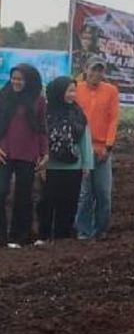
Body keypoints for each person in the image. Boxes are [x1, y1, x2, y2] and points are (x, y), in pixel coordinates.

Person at [36, 77, 94, 244]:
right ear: (58, 92)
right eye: (69, 91)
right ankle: (44, 235)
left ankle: (63, 235)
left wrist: (87, 165)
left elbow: (85, 139)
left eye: (74, 91)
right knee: (47, 201)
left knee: (69, 202)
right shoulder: (46, 113)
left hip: (73, 166)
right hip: (50, 165)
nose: (72, 95)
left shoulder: (77, 113)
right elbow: (40, 138)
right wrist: (40, 164)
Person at [0, 64, 48, 248]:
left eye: (20, 79)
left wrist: (45, 153)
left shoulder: (38, 100)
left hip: (28, 153)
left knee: (23, 195)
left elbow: (42, 129)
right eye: (14, 78)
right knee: (1, 191)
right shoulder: (3, 96)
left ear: (29, 81)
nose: (16, 82)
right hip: (4, 152)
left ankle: (19, 236)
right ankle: (2, 237)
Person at [75, 55, 120, 240]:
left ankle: (101, 229)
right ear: (86, 69)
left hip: (103, 149)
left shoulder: (111, 91)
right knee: (85, 193)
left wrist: (108, 146)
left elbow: (113, 118)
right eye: (93, 69)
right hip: (82, 149)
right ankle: (83, 230)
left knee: (103, 192)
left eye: (100, 70)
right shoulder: (76, 89)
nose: (96, 73)